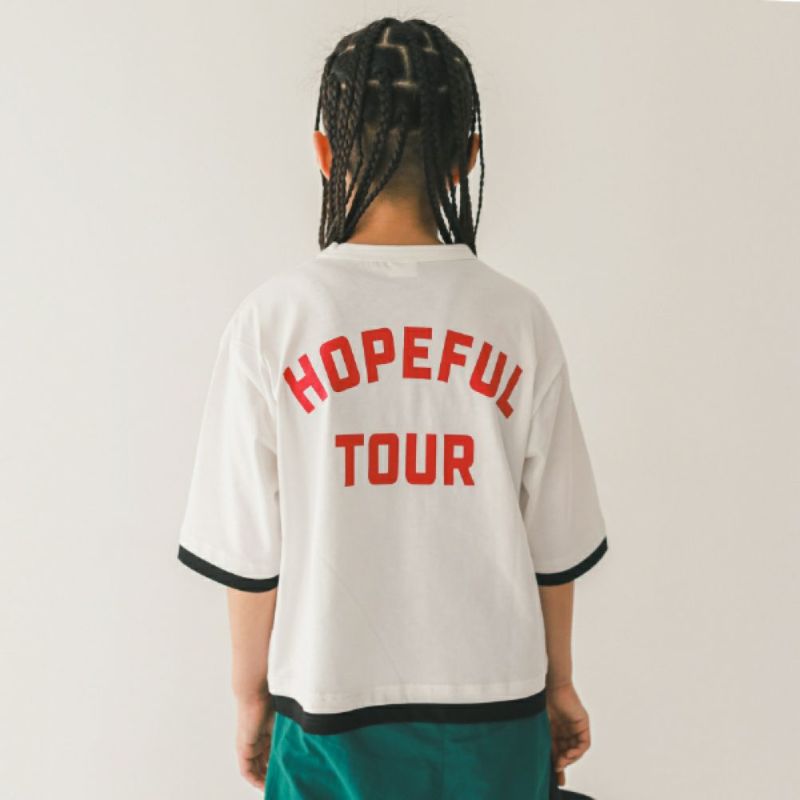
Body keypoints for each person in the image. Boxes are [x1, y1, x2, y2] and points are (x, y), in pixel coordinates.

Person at [177, 16, 607, 800]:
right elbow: (554, 540)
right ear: (466, 157)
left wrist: (248, 697)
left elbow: (249, 554)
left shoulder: (275, 320)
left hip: (324, 711)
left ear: (324, 153)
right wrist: (561, 682)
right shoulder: (515, 319)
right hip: (495, 707)